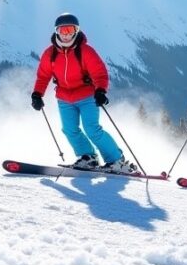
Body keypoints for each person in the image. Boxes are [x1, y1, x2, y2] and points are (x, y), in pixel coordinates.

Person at [31, 13, 136, 173]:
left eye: (70, 30)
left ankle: (117, 160)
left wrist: (100, 90)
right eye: (62, 30)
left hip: (87, 97)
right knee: (69, 129)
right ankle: (88, 157)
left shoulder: (85, 51)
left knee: (92, 129)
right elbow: (43, 76)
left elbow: (99, 73)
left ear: (76, 31)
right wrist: (37, 94)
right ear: (56, 31)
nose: (66, 34)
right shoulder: (50, 54)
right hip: (64, 98)